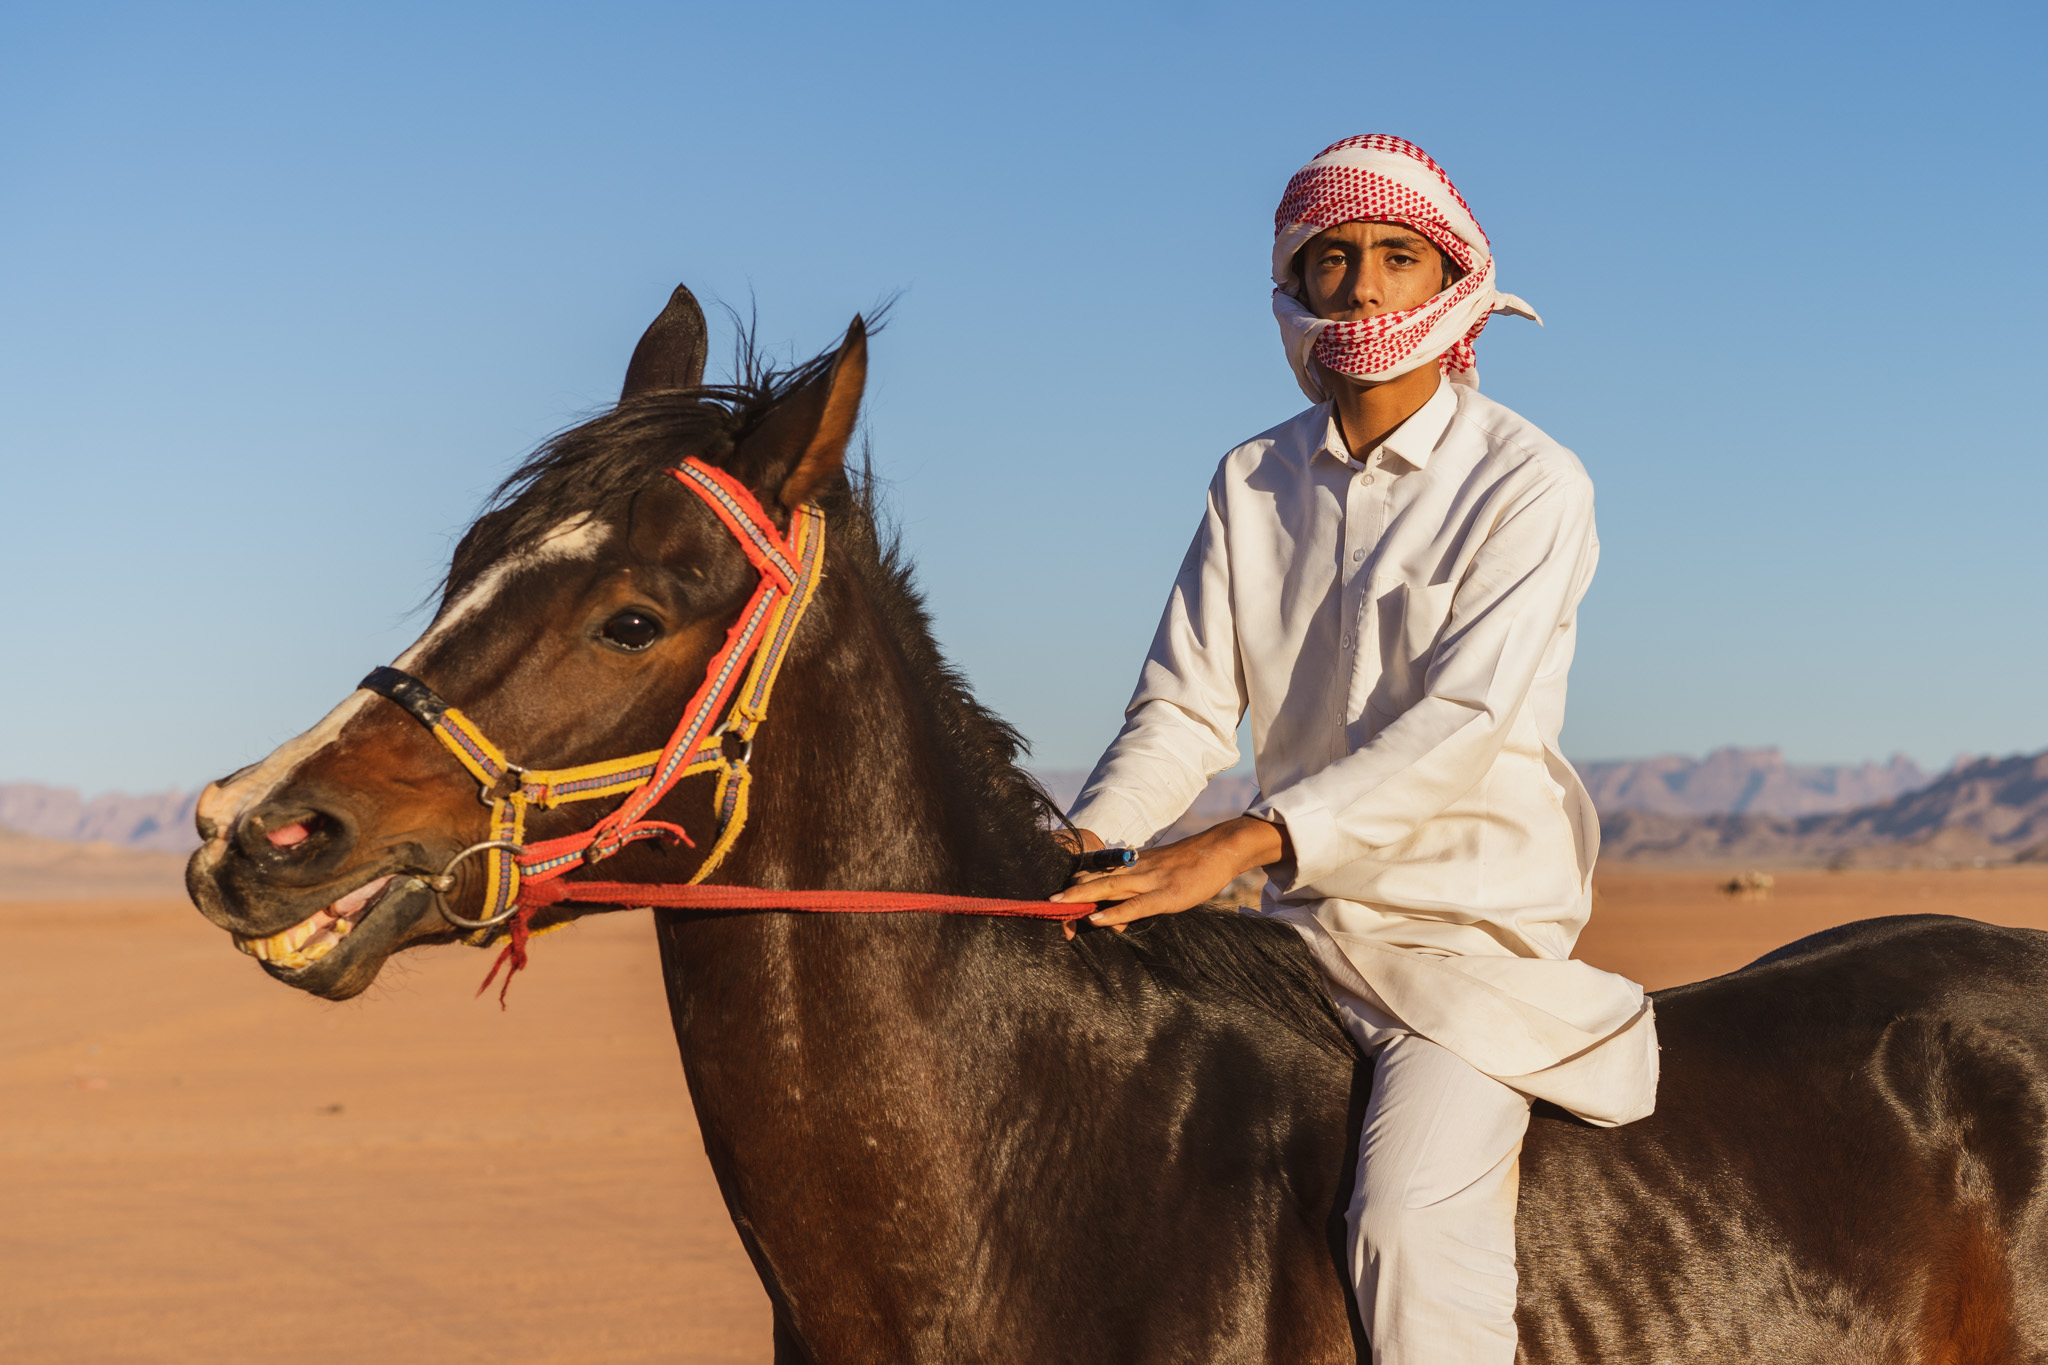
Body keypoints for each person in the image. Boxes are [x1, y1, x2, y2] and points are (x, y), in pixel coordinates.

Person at [1049, 135, 1659, 1365]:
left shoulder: (1529, 482)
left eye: (1394, 256)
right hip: (1292, 940)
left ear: (1451, 276)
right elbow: (1181, 708)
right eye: (1332, 260)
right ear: (1296, 285)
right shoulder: (1250, 480)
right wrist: (1090, 842)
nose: (1364, 288)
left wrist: (1241, 842)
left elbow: (1460, 727)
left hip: (1458, 949)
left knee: (1406, 1231)